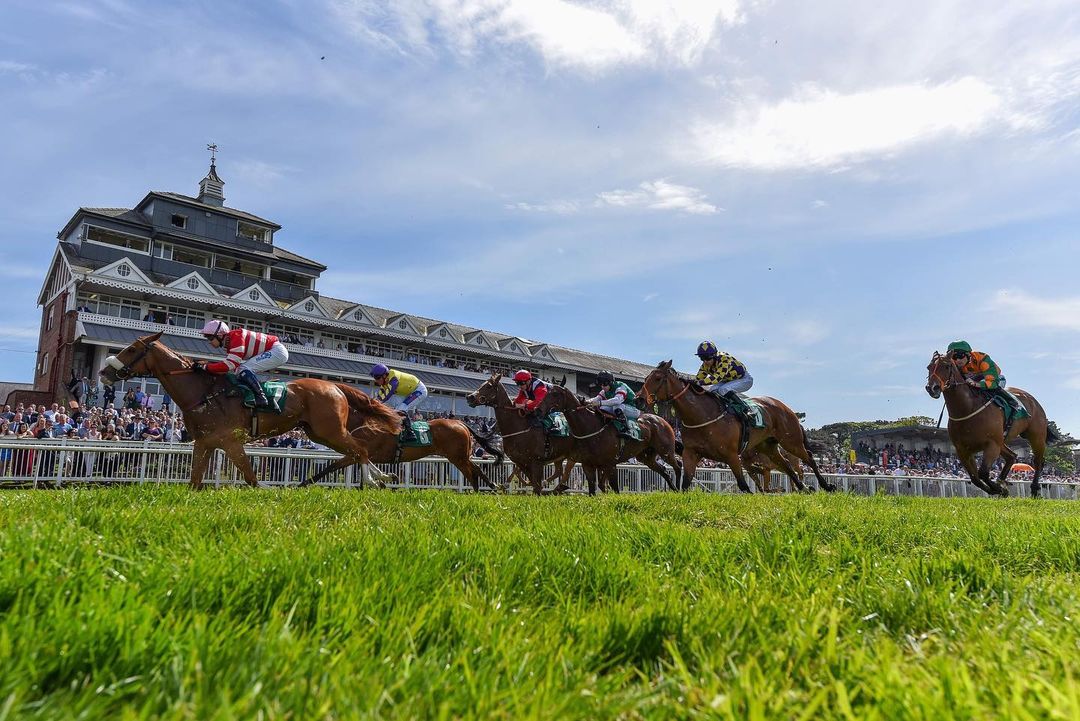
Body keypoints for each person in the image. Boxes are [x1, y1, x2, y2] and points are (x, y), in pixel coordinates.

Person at [194, 319, 289, 408]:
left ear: (220, 335)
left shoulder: (236, 337)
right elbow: (232, 366)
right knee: (239, 371)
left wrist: (206, 367)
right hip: (273, 350)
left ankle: (261, 397)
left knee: (243, 369)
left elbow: (230, 365)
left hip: (277, 351)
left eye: (210, 338)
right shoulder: (229, 342)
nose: (209, 342)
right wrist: (207, 366)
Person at [945, 340, 1026, 416]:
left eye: (960, 356)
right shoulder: (954, 365)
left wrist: (976, 384)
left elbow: (993, 383)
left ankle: (1015, 404)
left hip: (995, 380)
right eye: (954, 357)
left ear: (968, 354)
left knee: (990, 389)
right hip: (975, 379)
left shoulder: (983, 358)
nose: (958, 360)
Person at [694, 340, 754, 417]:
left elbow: (717, 378)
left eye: (707, 358)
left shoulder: (724, 359)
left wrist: (700, 382)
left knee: (723, 389)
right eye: (702, 358)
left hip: (744, 379)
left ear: (714, 355)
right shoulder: (705, 366)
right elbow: (698, 379)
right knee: (712, 390)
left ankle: (747, 409)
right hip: (727, 381)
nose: (705, 361)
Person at [370, 363, 427, 440]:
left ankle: (411, 433)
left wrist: (374, 403)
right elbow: (379, 397)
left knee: (401, 409)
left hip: (419, 390)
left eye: (377, 378)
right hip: (407, 392)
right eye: (375, 378)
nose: (376, 380)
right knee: (395, 410)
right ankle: (400, 429)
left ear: (384, 375)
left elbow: (387, 395)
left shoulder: (394, 378)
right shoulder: (384, 383)